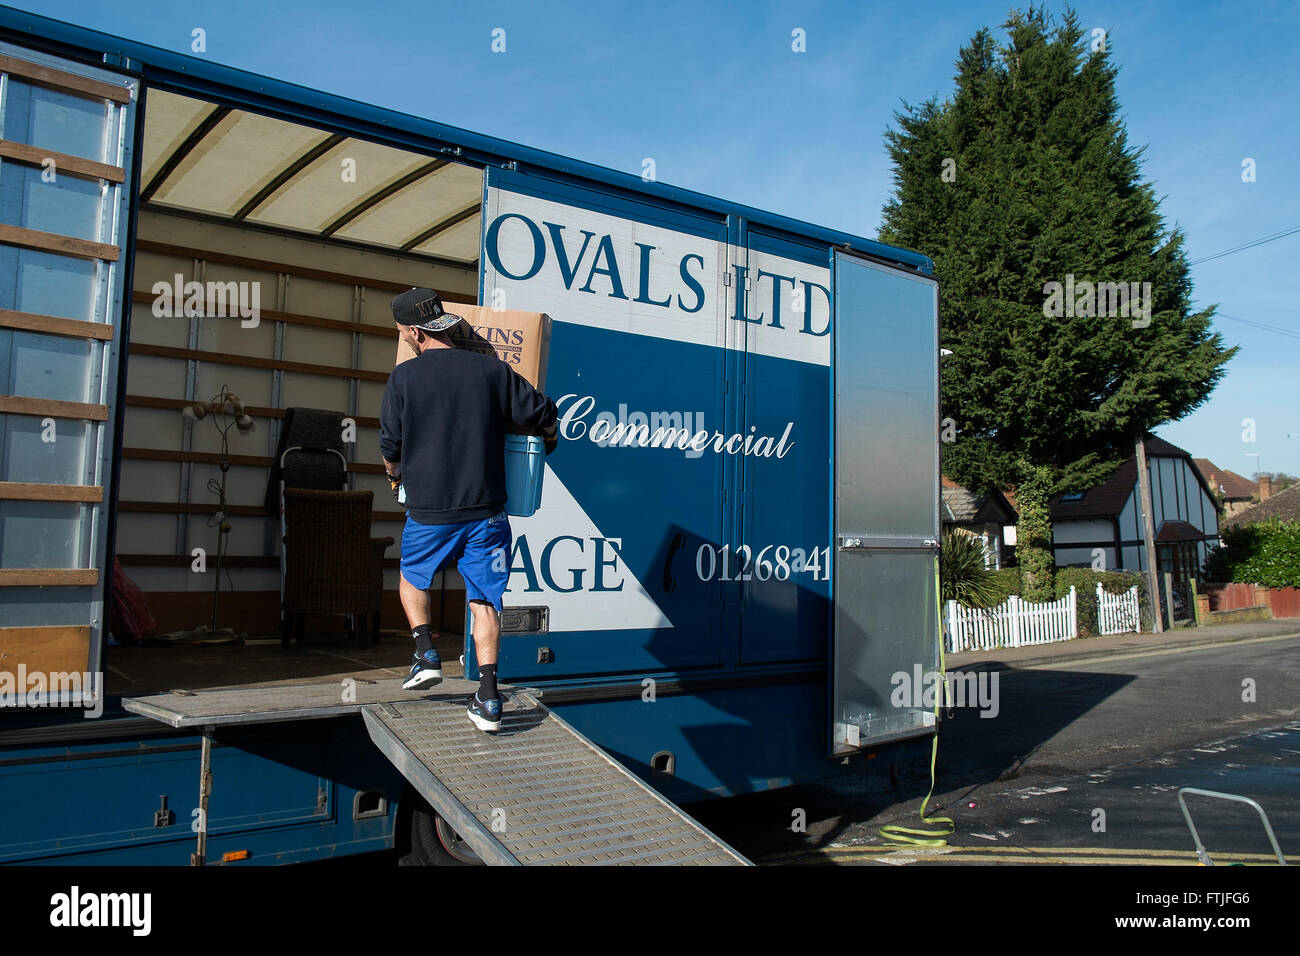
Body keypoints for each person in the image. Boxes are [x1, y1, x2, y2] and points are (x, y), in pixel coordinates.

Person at [379, 288, 557, 733]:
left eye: (403, 332)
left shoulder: (404, 378)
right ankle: (490, 697)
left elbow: (390, 447)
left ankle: (425, 653)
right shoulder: (493, 370)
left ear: (415, 333)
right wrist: (545, 439)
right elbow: (540, 412)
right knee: (484, 600)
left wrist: (394, 476)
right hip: (488, 513)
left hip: (430, 512)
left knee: (410, 580)